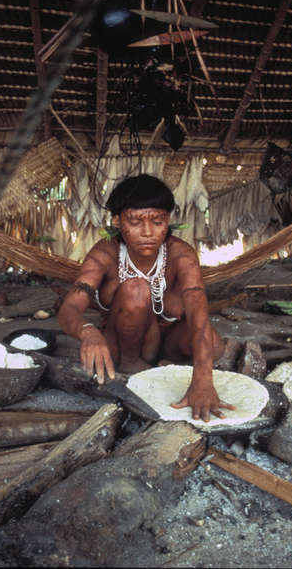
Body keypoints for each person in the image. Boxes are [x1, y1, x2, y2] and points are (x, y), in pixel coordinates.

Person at [58, 173, 234, 422]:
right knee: (136, 289)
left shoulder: (181, 255)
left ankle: (164, 364)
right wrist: (88, 332)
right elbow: (70, 309)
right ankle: (131, 365)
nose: (148, 232)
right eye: (136, 222)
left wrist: (203, 379)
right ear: (118, 221)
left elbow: (198, 311)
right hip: (123, 344)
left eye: (157, 221)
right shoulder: (104, 254)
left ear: (168, 221)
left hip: (166, 340)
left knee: (213, 345)